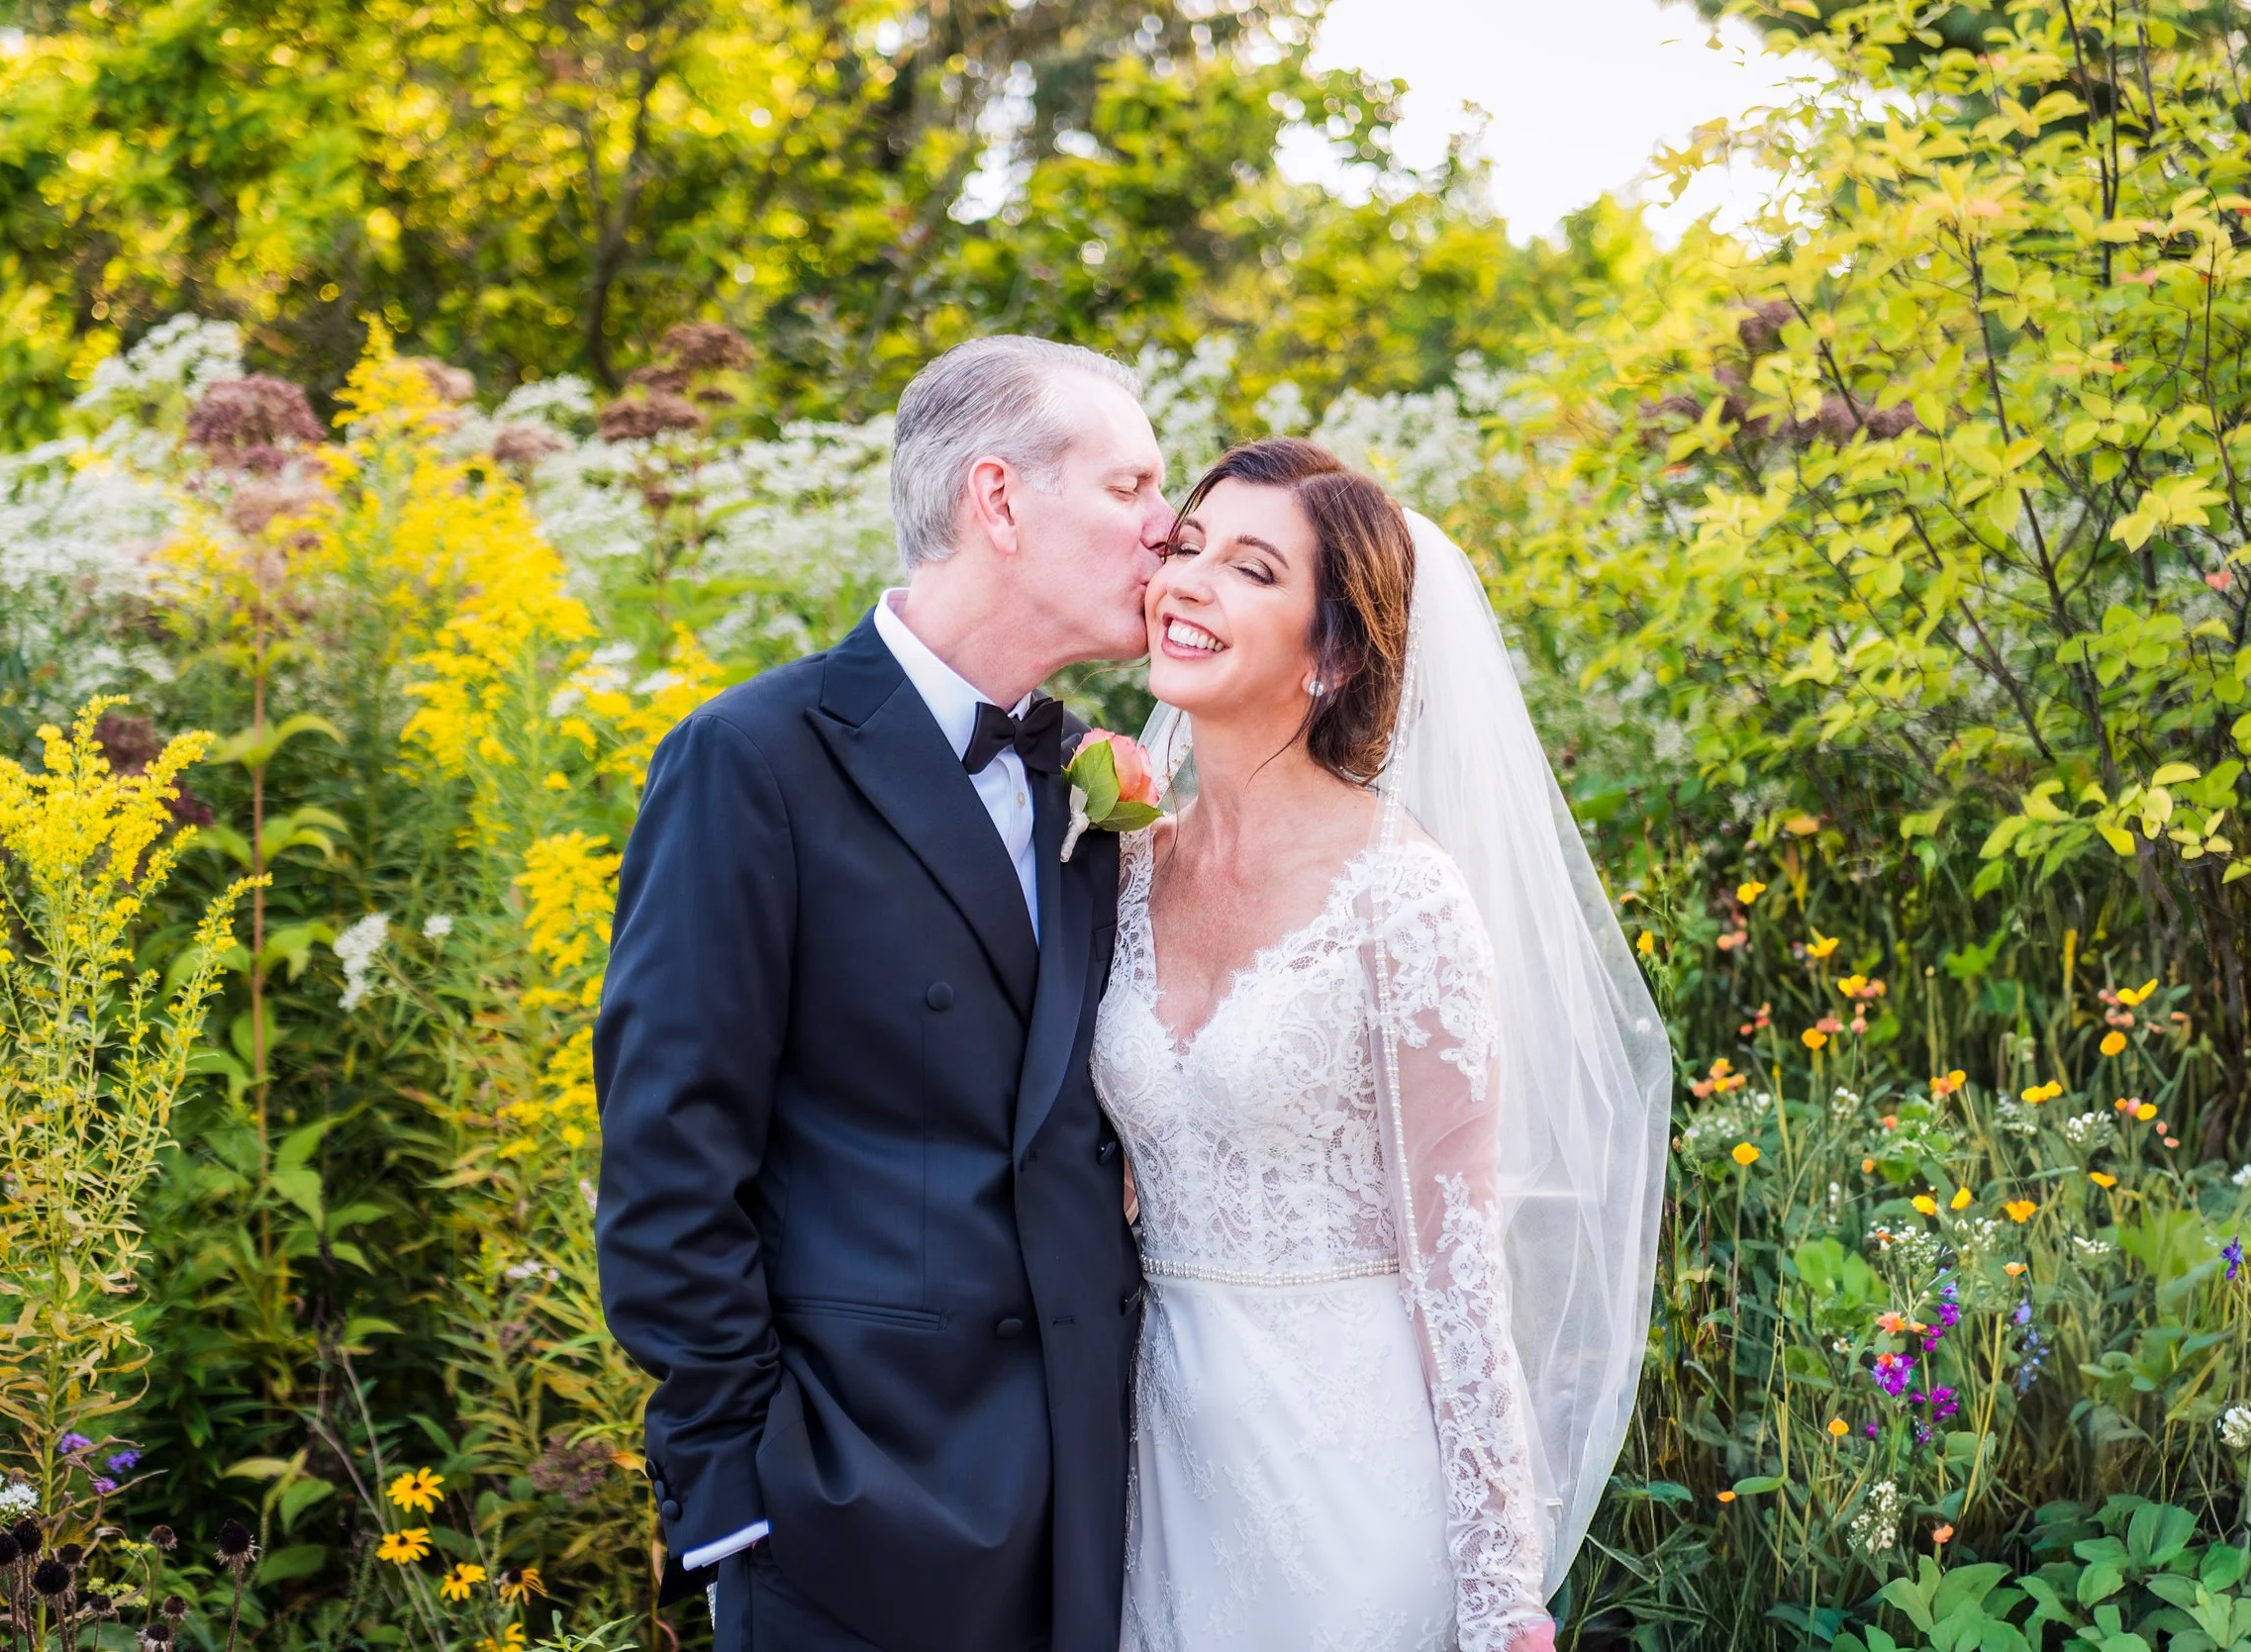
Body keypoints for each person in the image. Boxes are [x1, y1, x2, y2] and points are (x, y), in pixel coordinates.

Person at [593, 336, 1172, 1652]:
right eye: (1131, 486)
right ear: (1000, 500)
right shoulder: (750, 761)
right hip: (851, 1516)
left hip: (1100, 1504)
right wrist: (746, 1482)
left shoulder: (1090, 778)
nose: (1167, 529)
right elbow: (670, 1156)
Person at [1095, 439, 1673, 1652]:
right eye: (1185, 548)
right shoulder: (1118, 872)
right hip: (1157, 1471)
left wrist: (1499, 1588)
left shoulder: (1400, 896)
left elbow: (1458, 1259)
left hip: (1350, 1473)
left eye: (1251, 568)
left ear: (1334, 651)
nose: (1187, 582)